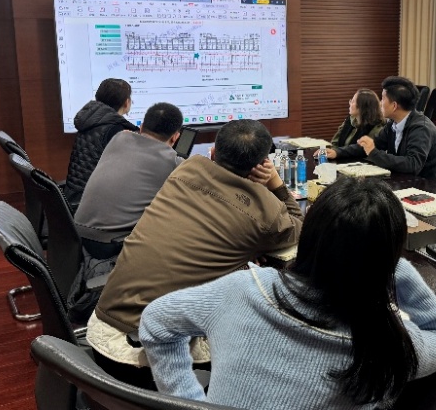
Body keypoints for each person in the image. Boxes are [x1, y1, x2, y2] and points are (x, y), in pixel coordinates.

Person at [139, 177, 436, 409]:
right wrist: (392, 267)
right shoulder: (384, 345)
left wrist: (190, 401)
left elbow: (155, 320)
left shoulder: (241, 289)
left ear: (308, 235)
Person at [87, 119, 303, 388]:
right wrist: (275, 184)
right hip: (145, 359)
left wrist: (239, 255)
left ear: (212, 152)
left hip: (101, 333)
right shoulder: (265, 213)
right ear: (262, 164)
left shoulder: (186, 169)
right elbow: (300, 228)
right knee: (269, 328)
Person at [74, 102, 184, 260]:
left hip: (76, 235)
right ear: (175, 137)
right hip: (108, 244)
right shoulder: (173, 163)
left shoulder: (119, 138)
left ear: (141, 127)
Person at [324, 76, 436, 183]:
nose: (380, 103)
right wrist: (337, 152)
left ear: (394, 106)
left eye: (383, 99)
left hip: (430, 187)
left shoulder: (421, 128)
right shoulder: (393, 124)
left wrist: (374, 153)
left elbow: (413, 164)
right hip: (406, 181)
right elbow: (372, 146)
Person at [64, 78, 138, 206]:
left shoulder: (90, 121)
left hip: (74, 198)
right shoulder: (115, 130)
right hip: (94, 204)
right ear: (127, 102)